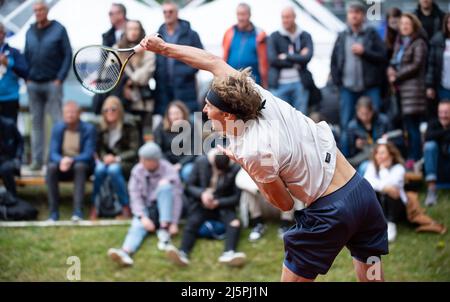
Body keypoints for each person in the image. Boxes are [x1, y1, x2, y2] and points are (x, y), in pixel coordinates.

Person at [140, 31, 388, 282]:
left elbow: (284, 204)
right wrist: (163, 48)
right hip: (362, 193)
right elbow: (212, 61)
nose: (204, 111)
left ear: (227, 115)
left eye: (209, 107)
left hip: (330, 210)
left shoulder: (252, 150)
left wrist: (245, 165)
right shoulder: (255, 95)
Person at [165, 148, 245, 267]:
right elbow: (189, 186)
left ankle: (229, 252)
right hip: (201, 204)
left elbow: (236, 198)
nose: (219, 173)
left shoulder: (235, 169)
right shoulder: (201, 162)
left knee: (234, 223)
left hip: (222, 205)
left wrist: (218, 202)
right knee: (192, 222)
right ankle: (183, 253)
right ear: (211, 161)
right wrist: (202, 194)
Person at [107, 142, 183, 267]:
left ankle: (164, 234)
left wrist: (174, 222)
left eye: (144, 159)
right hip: (147, 210)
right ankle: (125, 252)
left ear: (154, 161)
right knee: (137, 226)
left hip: (165, 209)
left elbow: (177, 198)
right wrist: (143, 217)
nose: (141, 161)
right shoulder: (137, 170)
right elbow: (135, 196)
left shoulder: (169, 170)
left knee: (165, 187)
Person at [330, 2, 387, 156]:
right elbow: (334, 61)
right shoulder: (342, 35)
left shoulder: (371, 33)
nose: (354, 15)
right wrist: (338, 84)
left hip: (370, 87)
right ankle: (345, 158)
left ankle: (378, 156)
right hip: (347, 88)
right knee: (346, 123)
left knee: (376, 121)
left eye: (357, 12)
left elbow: (383, 56)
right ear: (347, 15)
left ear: (363, 15)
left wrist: (365, 52)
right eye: (351, 12)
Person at [25, 0, 72, 171]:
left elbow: (68, 55)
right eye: (35, 10)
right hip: (33, 84)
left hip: (53, 83)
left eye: (41, 9)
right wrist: (26, 77)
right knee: (36, 124)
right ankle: (37, 161)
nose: (38, 13)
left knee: (57, 123)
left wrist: (60, 78)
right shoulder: (30, 30)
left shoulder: (59, 29)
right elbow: (26, 55)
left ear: (47, 10)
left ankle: (56, 160)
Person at [90, 96, 140, 220]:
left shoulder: (129, 125)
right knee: (99, 170)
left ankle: (125, 206)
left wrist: (117, 158)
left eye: (113, 109)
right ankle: (95, 205)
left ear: (119, 110)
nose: (109, 112)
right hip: (106, 162)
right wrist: (104, 158)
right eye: (106, 110)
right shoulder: (101, 127)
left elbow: (134, 151)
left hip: (126, 162)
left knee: (113, 170)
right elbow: (98, 149)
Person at [388, 13, 428, 166]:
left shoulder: (419, 43)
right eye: (402, 23)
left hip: (413, 91)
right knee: (406, 127)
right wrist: (390, 71)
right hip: (400, 92)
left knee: (413, 127)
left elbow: (416, 65)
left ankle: (416, 158)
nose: (404, 26)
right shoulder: (400, 42)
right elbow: (393, 62)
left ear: (414, 25)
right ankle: (409, 157)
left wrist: (396, 75)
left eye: (407, 23)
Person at [47, 101, 96, 221]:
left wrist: (71, 160)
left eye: (73, 112)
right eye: (67, 112)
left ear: (79, 114)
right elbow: (53, 152)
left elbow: (88, 154)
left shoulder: (89, 129)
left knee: (80, 166)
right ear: (63, 114)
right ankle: (53, 213)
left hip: (81, 165)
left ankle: (78, 212)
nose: (70, 115)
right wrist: (61, 161)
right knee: (51, 168)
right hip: (62, 165)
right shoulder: (57, 128)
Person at [154, 0, 203, 115]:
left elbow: (201, 57)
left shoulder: (191, 34)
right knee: (167, 126)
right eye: (165, 12)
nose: (167, 14)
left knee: (188, 125)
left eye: (170, 11)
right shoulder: (157, 35)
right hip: (164, 89)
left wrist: (184, 73)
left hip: (186, 87)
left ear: (177, 13)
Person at [267, 6, 313, 114]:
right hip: (279, 85)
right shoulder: (274, 36)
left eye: (288, 17)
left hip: (300, 83)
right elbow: (273, 60)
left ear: (294, 17)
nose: (285, 20)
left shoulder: (305, 36)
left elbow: (307, 58)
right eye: (283, 17)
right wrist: (298, 59)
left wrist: (287, 56)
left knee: (301, 119)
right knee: (281, 119)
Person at [115, 20, 156, 136]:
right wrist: (124, 83)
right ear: (125, 31)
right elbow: (111, 71)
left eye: (136, 29)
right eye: (130, 29)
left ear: (140, 31)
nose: (133, 32)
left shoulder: (148, 49)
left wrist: (130, 79)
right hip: (123, 101)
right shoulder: (117, 48)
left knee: (146, 135)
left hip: (143, 102)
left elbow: (146, 73)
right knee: (127, 135)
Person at [235, 168, 298, 242]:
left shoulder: (280, 160)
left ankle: (285, 225)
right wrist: (259, 190)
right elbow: (239, 180)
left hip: (280, 204)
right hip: (262, 203)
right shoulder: (251, 161)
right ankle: (258, 224)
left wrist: (277, 188)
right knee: (247, 193)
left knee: (291, 189)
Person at [364, 143, 407, 243]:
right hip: (381, 205)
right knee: (370, 192)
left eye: (382, 153)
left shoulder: (399, 168)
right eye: (377, 153)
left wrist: (383, 170)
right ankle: (375, 225)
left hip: (398, 207)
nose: (379, 156)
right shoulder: (372, 166)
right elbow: (367, 182)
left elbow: (392, 186)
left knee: (392, 191)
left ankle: (391, 224)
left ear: (391, 155)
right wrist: (383, 187)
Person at [223, 3, 268, 88]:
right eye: (238, 14)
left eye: (243, 14)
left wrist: (265, 83)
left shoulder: (259, 34)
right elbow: (224, 55)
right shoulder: (230, 32)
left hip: (254, 83)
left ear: (249, 15)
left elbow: (265, 60)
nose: (240, 18)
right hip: (232, 82)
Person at [153, 100, 196, 182]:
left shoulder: (192, 126)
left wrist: (180, 165)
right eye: (172, 114)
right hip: (166, 162)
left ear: (183, 114)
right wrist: (168, 166)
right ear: (168, 115)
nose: (175, 116)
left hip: (186, 162)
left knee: (188, 172)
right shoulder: (161, 128)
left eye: (177, 113)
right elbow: (158, 149)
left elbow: (195, 151)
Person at [346, 96, 391, 174]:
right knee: (364, 167)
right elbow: (350, 151)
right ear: (357, 112)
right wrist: (355, 145)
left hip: (381, 156)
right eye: (361, 114)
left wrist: (387, 140)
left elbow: (395, 143)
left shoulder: (384, 121)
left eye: (367, 114)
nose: (364, 117)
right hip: (363, 158)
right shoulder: (352, 126)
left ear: (372, 111)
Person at [423, 100, 450, 206]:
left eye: (446, 112)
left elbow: (432, 134)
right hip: (436, 167)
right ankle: (431, 190)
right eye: (441, 112)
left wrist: (438, 135)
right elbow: (428, 136)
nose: (443, 116)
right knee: (430, 146)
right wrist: (446, 133)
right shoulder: (433, 122)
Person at [0, 22, 28, 124]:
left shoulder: (13, 52)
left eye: (1, 32)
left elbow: (25, 71)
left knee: (9, 131)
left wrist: (8, 63)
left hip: (10, 97)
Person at [426, 13, 450, 103]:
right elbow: (431, 64)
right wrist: (429, 85)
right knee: (444, 114)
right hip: (443, 86)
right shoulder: (438, 40)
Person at [0, 116, 23, 197]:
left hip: (10, 160)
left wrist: (18, 157)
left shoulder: (9, 124)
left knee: (5, 169)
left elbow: (20, 142)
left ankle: (13, 197)